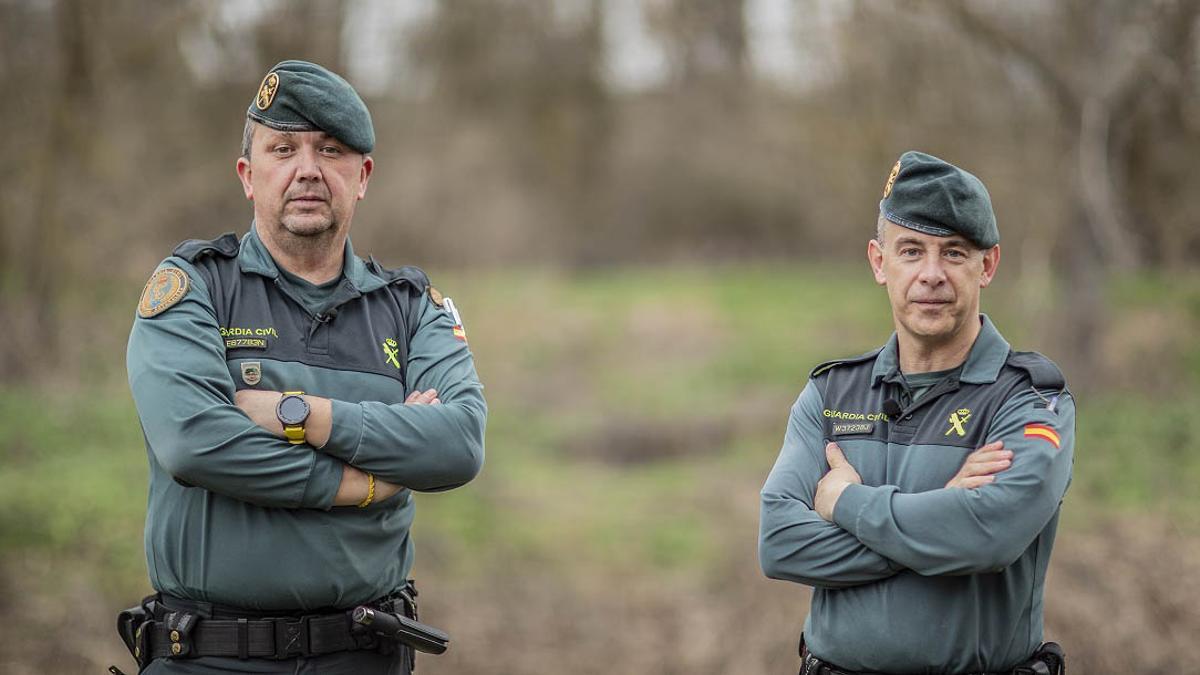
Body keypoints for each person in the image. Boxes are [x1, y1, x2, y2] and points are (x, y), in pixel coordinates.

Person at [121, 60, 486, 674]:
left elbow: (458, 444)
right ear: (248, 174)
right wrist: (359, 482)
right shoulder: (192, 288)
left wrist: (301, 414)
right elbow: (194, 442)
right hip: (210, 660)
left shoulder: (411, 309)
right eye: (283, 148)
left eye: (331, 150)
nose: (307, 170)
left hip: (365, 655)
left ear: (362, 175)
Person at [759, 151, 1074, 674]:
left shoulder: (1029, 401)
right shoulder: (830, 394)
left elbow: (985, 536)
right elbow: (779, 543)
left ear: (987, 265)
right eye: (911, 250)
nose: (931, 275)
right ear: (879, 262)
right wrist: (939, 511)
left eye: (953, 253)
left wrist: (847, 503)